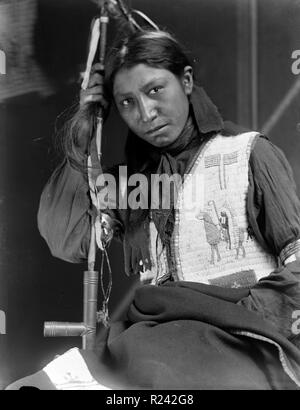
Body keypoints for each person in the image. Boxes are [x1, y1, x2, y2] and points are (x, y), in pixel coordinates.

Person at [7, 28, 300, 390]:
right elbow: (67, 239)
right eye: (126, 102)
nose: (145, 113)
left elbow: (297, 262)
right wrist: (85, 126)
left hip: (242, 339)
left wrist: (238, 314)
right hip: (156, 338)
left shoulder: (248, 155)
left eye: (155, 90)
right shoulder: (133, 183)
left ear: (186, 80)